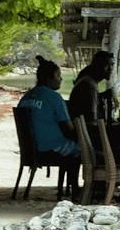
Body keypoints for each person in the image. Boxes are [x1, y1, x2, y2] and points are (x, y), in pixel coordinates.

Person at [15, 59, 80, 193]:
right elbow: (68, 129)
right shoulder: (54, 98)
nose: (61, 79)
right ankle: (74, 190)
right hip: (50, 149)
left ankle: (68, 189)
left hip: (31, 150)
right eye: (58, 75)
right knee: (81, 150)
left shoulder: (26, 97)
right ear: (48, 78)